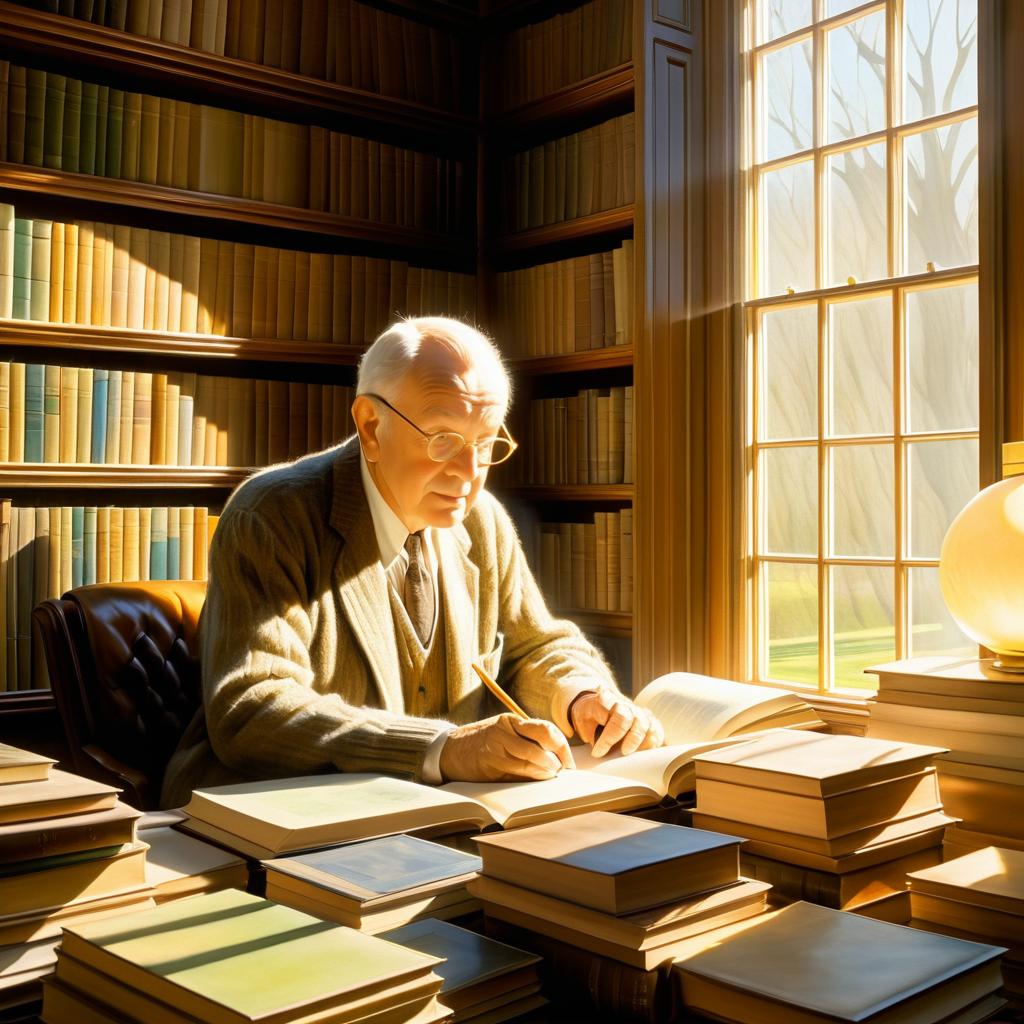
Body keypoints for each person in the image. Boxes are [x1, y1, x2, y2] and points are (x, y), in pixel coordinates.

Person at [161, 316, 663, 808]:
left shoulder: (480, 520)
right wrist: (441, 749)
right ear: (371, 426)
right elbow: (253, 708)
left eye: (486, 444)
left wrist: (579, 696)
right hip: (271, 821)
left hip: (435, 818)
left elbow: (534, 645)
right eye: (443, 440)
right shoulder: (272, 515)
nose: (469, 473)